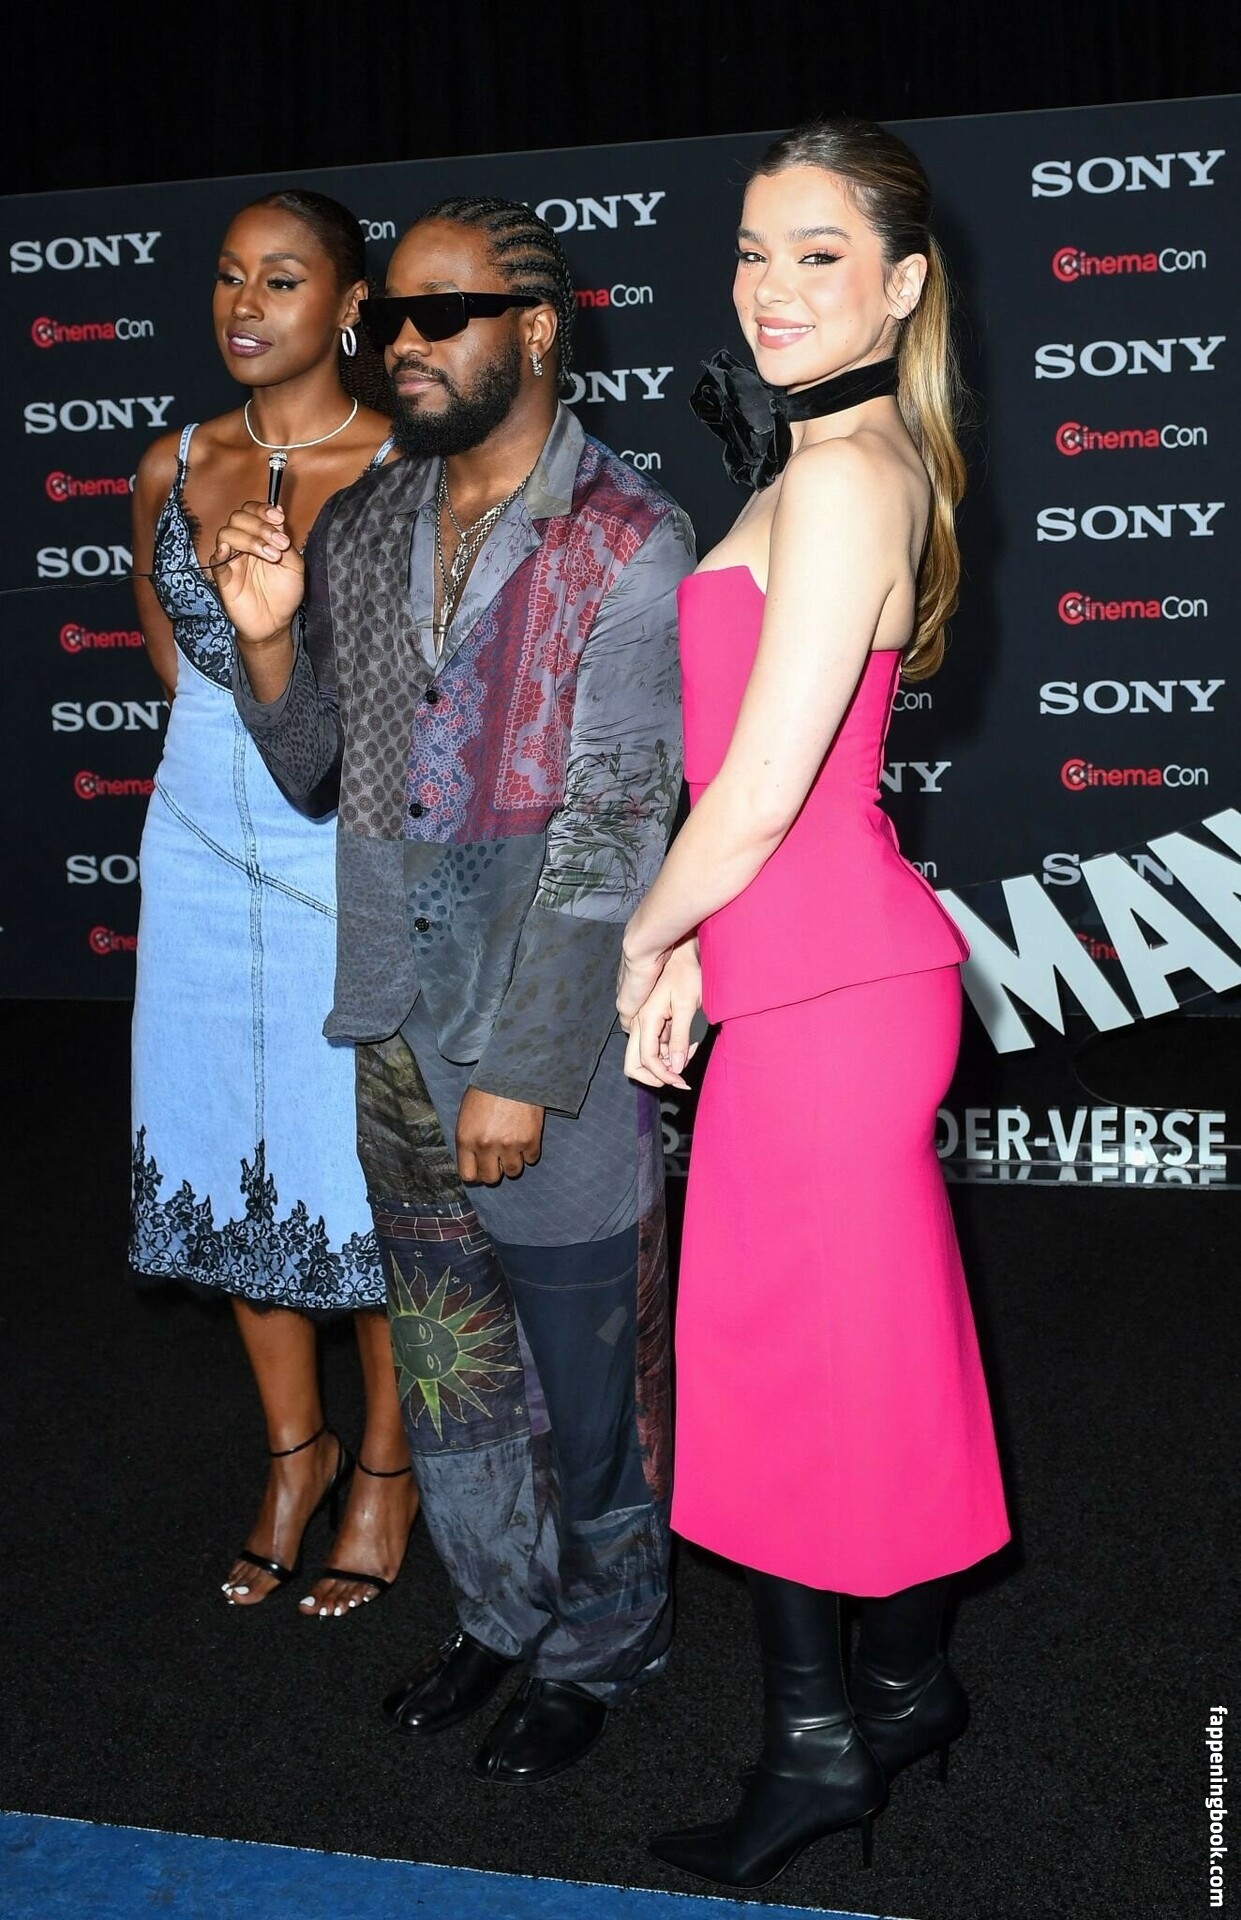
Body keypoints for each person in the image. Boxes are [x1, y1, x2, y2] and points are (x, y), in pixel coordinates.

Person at [213, 196, 692, 1782]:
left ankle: (607, 1641)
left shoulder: (627, 537)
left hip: (548, 1043)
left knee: (587, 1381)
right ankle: (497, 1616)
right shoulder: (363, 524)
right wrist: (266, 647)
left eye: (441, 315)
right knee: (446, 1359)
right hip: (392, 1026)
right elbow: (313, 767)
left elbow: (615, 823)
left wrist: (522, 1066)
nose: (398, 345)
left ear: (535, 330)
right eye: (388, 320)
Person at [616, 118, 1010, 1890]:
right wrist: (709, 954)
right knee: (821, 1358)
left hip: (835, 984)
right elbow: (771, 779)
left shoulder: (848, 476)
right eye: (751, 251)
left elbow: (766, 791)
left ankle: (821, 1746)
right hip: (802, 968)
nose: (770, 289)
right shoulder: (820, 462)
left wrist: (642, 941)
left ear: (902, 285)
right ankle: (895, 1695)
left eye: (819, 254)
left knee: (795, 1365)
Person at [130, 189, 420, 1620]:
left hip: (341, 849)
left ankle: (387, 1468)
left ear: (352, 305)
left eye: (284, 279)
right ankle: (292, 1456)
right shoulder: (172, 462)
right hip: (196, 844)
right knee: (222, 1142)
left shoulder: (406, 466)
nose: (245, 305)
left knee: (357, 1167)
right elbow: (171, 666)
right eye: (229, 277)